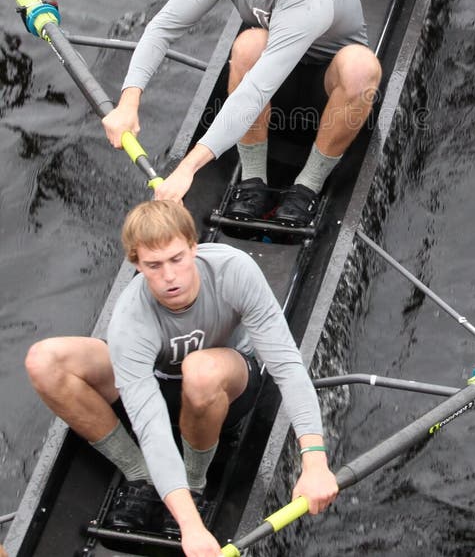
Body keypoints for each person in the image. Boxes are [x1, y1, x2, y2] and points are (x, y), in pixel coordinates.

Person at [25, 200, 339, 557]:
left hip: (228, 384)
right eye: (154, 265)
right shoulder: (130, 318)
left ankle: (194, 483)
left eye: (177, 259)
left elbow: (287, 367)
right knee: (44, 361)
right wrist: (190, 526)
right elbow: (151, 426)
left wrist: (315, 462)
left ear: (193, 246)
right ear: (136, 264)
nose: (169, 276)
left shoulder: (234, 271)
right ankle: (141, 475)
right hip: (160, 387)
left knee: (199, 371)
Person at [102, 0, 381, 224]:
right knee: (249, 45)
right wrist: (128, 101)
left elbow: (255, 91)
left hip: (326, 93)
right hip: (276, 81)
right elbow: (162, 28)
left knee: (361, 67)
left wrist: (188, 167)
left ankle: (308, 185)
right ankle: (252, 181)